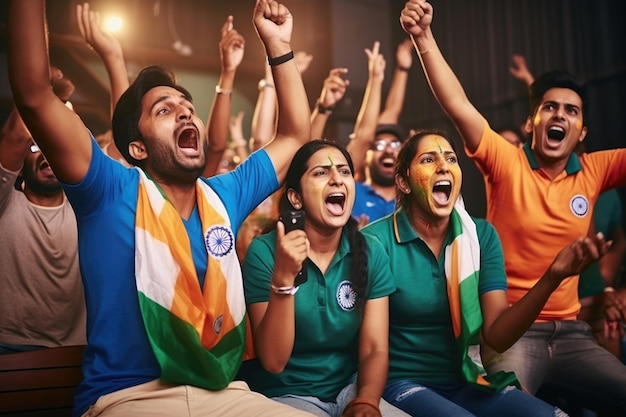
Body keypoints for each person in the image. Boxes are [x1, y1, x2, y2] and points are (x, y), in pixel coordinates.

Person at [7, 1, 316, 416]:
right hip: (129, 397)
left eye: (187, 107)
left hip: (222, 393)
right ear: (137, 148)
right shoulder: (108, 189)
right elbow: (34, 93)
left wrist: (277, 45)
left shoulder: (224, 196)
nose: (185, 111)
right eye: (164, 110)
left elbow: (296, 135)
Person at [399, 1, 626, 414]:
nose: (560, 115)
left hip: (573, 333)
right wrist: (424, 38)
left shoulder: (595, 169)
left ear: (582, 132)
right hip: (512, 333)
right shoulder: (507, 161)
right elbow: (458, 105)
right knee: (512, 407)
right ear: (531, 123)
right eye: (550, 107)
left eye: (571, 111)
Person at [362, 129, 607, 417]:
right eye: (428, 159)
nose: (443, 166)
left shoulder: (480, 236)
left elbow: (497, 336)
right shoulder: (375, 241)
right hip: (403, 382)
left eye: (451, 159)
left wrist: (552, 278)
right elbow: (369, 345)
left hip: (469, 380)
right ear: (403, 182)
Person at [242, 139, 408, 417]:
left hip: (349, 390)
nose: (337, 180)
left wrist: (365, 402)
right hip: (285, 395)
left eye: (344, 172)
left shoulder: (369, 251)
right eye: (321, 173)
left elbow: (374, 348)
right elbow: (273, 361)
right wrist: (283, 281)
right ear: (295, 197)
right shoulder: (266, 251)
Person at [0, 92, 85, 353]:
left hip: (77, 349)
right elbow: (16, 136)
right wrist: (49, 90)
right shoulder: (5, 202)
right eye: (36, 147)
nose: (47, 154)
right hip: (9, 348)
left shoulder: (86, 208)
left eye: (53, 147)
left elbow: (112, 148)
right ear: (21, 166)